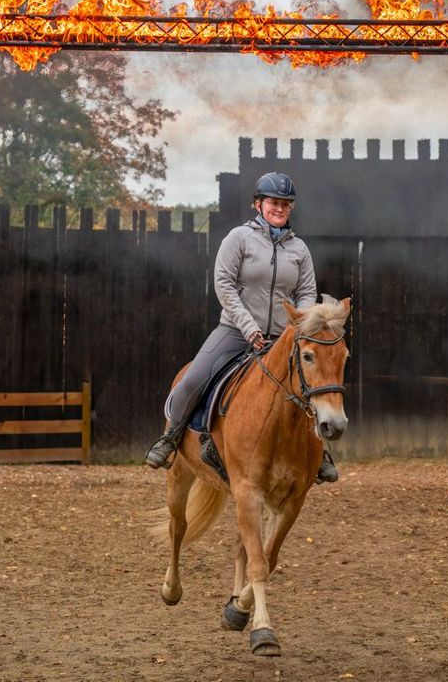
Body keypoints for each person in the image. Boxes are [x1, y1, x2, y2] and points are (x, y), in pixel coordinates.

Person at [144, 171, 339, 483]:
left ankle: (319, 450)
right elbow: (224, 284)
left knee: (310, 386)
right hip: (235, 331)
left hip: (282, 336)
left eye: (286, 204)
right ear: (258, 204)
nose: (280, 208)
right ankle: (171, 437)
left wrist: (300, 328)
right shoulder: (238, 238)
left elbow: (305, 293)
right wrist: (248, 327)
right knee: (193, 379)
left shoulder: (300, 249)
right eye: (274, 202)